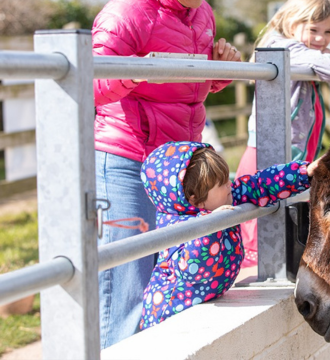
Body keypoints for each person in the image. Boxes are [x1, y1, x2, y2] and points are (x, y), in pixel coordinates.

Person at [92, 0, 242, 348]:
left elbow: (189, 88)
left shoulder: (202, 12)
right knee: (127, 284)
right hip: (127, 158)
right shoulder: (126, 13)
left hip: (176, 168)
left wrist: (222, 70)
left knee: (171, 276)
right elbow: (89, 82)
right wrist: (133, 70)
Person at [235, 0, 330, 267]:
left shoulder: (304, 51)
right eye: (314, 29)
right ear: (293, 23)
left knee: (286, 220)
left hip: (294, 154)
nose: (321, 38)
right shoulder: (280, 47)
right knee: (259, 232)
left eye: (327, 33)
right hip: (268, 155)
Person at [138, 141, 310, 329]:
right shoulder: (179, 228)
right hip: (169, 314)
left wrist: (304, 173)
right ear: (194, 197)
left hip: (202, 307)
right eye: (221, 183)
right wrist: (212, 224)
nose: (229, 184)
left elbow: (260, 184)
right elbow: (196, 270)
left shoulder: (223, 198)